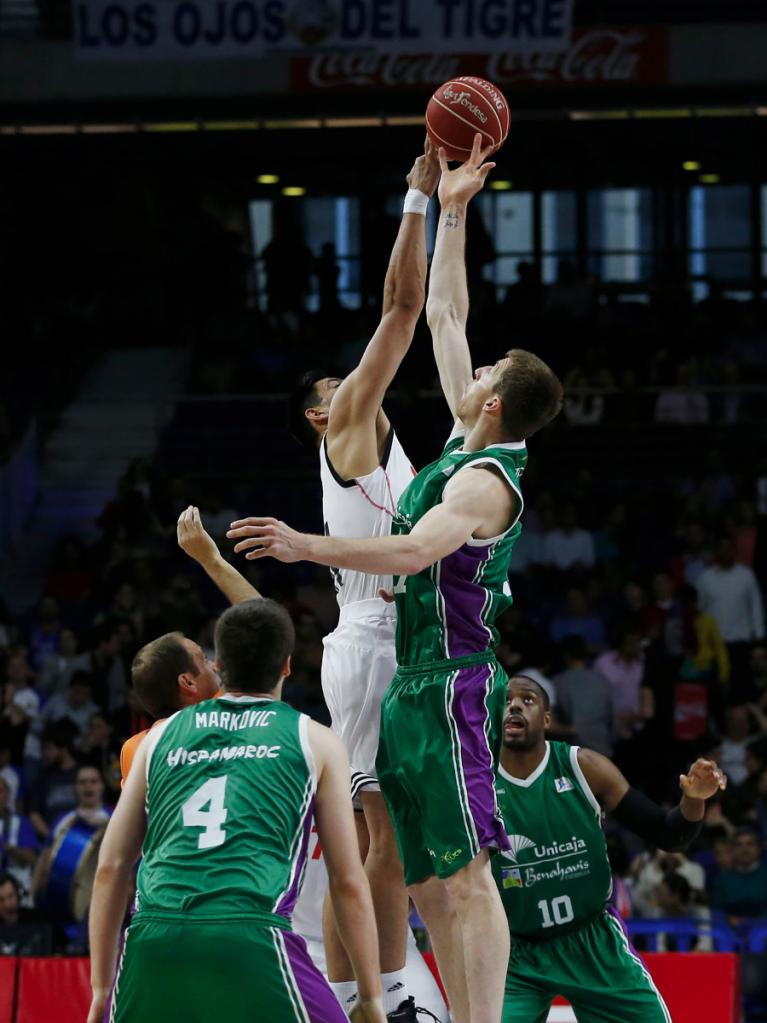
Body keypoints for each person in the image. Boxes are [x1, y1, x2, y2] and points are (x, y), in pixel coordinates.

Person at [228, 135, 564, 1023]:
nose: (475, 366)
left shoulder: (481, 476)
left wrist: (305, 546)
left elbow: (415, 553)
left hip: (443, 671)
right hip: (401, 665)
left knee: (456, 874)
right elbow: (445, 317)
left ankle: (431, 1009)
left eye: (488, 374)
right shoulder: (456, 438)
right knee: (416, 869)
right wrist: (452, 207)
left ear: (491, 402)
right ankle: (406, 1000)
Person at [176, 506, 449, 1022]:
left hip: (361, 948)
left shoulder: (290, 738)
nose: (213, 662)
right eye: (200, 660)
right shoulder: (293, 740)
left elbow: (262, 629)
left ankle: (382, 988)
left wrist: (212, 561)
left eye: (214, 656)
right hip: (284, 951)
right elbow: (264, 632)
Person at [285, 143, 440, 1020]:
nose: (354, 382)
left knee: (373, 837)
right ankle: (389, 999)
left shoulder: (375, 442)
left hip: (378, 638)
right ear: (320, 411)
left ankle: (353, 992)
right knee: (383, 838)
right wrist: (416, 199)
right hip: (372, 639)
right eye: (336, 383)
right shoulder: (345, 430)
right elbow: (401, 306)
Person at [88, 599, 386, 1023]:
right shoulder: (315, 740)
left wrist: (102, 988)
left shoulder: (154, 739)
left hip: (152, 938)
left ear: (220, 665)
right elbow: (348, 881)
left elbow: (111, 866)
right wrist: (370, 996)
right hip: (250, 933)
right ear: (286, 667)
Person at [493, 674, 726, 1022]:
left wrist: (693, 801)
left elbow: (669, 835)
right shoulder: (475, 783)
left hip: (592, 941)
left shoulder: (583, 766)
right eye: (505, 700)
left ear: (546, 718)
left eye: (528, 699)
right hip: (516, 953)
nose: (514, 705)